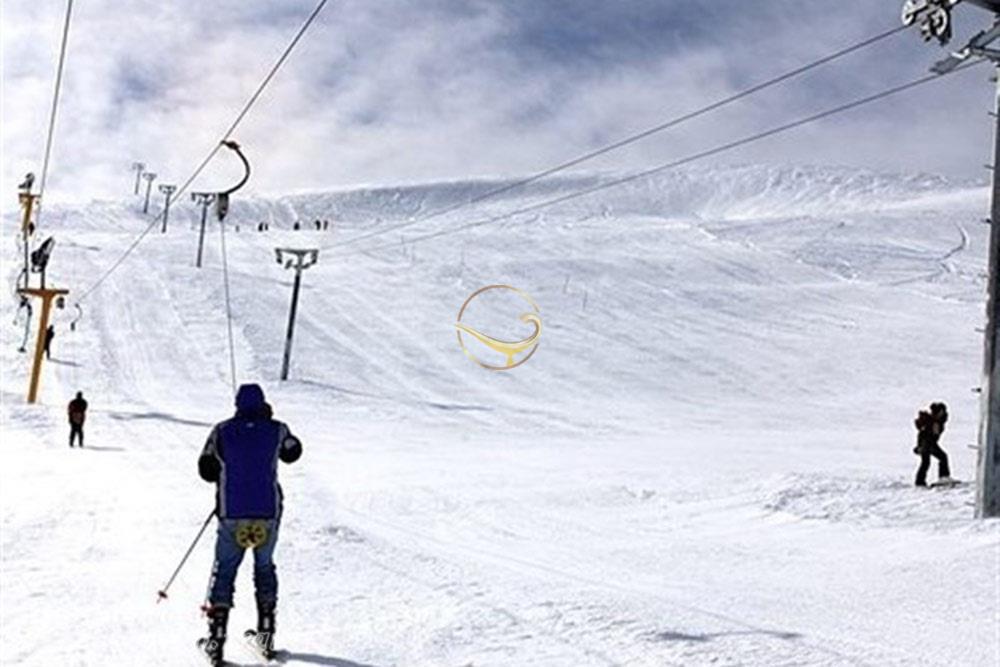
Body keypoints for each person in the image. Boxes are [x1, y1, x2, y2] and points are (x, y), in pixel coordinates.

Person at [197, 384, 302, 665]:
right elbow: (293, 452)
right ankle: (266, 635)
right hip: (268, 512)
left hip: (232, 513)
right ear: (263, 403)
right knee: (264, 568)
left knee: (225, 571)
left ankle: (216, 641)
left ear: (237, 404)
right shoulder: (277, 429)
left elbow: (205, 469)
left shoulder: (221, 431)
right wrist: (267, 425)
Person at [914, 402, 953, 487]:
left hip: (929, 444)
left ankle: (920, 481)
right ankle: (943, 477)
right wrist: (920, 446)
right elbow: (922, 434)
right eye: (941, 411)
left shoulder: (937, 421)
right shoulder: (932, 422)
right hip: (928, 444)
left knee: (927, 462)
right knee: (941, 458)